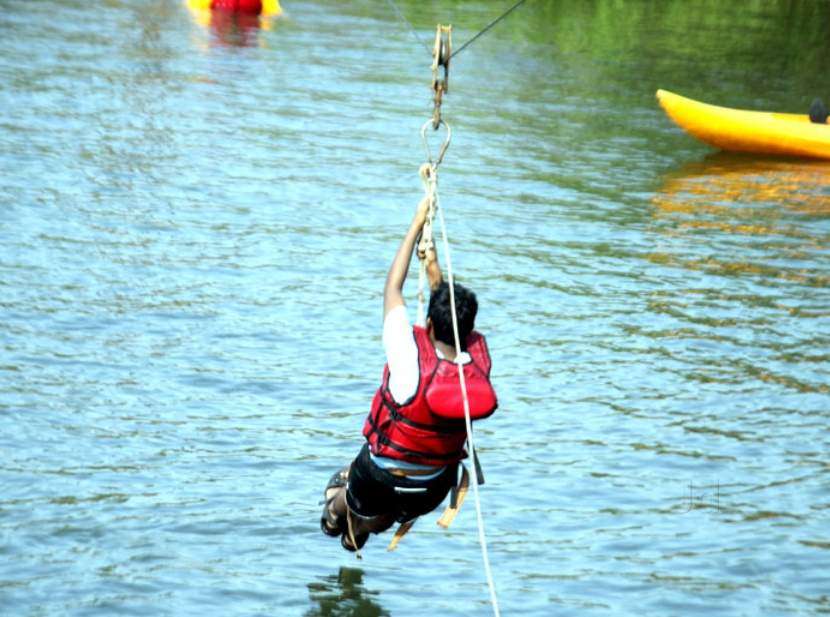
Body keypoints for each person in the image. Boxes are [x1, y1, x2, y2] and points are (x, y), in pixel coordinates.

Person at [320, 170, 498, 552]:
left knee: (344, 492)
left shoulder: (407, 355)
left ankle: (339, 515)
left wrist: (416, 224)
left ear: (430, 323)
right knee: (396, 498)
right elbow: (450, 317)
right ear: (469, 329)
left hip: (380, 476)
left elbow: (392, 287)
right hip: (432, 486)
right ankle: (371, 523)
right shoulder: (477, 366)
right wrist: (432, 265)